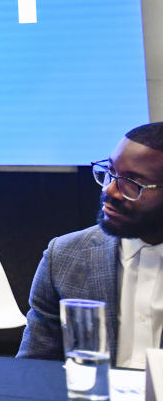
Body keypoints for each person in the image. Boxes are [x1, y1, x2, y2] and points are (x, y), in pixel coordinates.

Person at [18, 121, 163, 368]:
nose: (110, 190)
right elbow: (33, 371)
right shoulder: (65, 257)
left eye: (133, 183)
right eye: (110, 172)